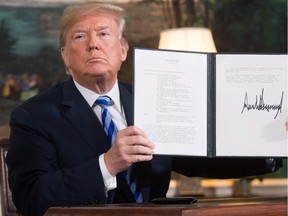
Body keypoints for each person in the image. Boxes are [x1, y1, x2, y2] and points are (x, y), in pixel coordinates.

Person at [6, 2, 282, 216]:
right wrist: (108, 164)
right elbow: (32, 199)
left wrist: (271, 143)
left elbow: (202, 156)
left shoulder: (154, 99)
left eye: (103, 34)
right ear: (66, 56)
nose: (93, 44)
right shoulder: (34, 116)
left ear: (122, 50)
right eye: (80, 37)